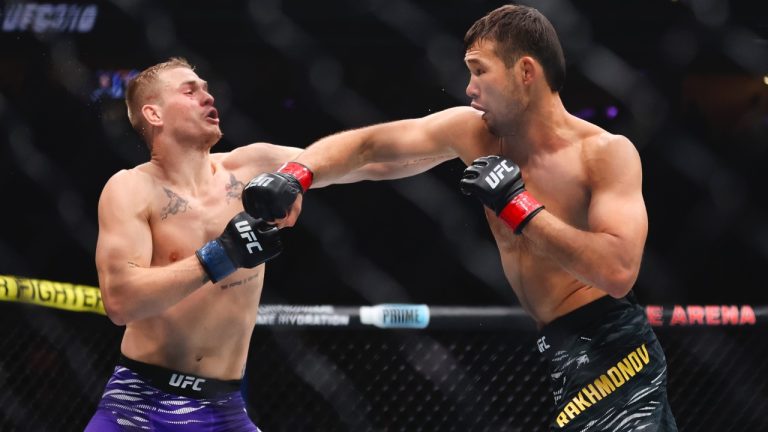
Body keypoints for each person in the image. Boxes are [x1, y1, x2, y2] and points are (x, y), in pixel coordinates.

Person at [242, 5, 678, 431]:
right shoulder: (474, 132)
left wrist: (518, 206)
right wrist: (297, 175)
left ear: (526, 72)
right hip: (550, 346)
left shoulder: (603, 153)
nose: (469, 88)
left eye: (479, 70)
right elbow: (370, 148)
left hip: (613, 349)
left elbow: (617, 271)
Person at [84, 57, 436, 431]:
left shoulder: (253, 167)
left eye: (205, 87)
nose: (207, 95)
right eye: (190, 90)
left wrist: (464, 139)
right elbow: (121, 302)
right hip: (138, 407)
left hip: (225, 411)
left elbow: (368, 160)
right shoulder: (131, 188)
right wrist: (222, 254)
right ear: (154, 114)